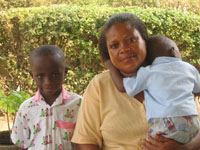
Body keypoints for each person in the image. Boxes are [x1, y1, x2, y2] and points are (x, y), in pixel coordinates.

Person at [71, 13, 200, 150]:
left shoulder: (174, 78)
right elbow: (85, 142)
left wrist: (186, 147)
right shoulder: (100, 86)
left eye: (131, 40)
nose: (124, 49)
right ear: (108, 54)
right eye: (114, 46)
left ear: (145, 41)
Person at [105, 35, 200, 144]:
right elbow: (197, 91)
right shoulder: (188, 68)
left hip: (167, 123)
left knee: (150, 144)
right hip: (192, 120)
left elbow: (122, 86)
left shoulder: (147, 72)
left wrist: (111, 67)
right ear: (173, 51)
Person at [11, 45, 82, 150]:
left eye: (54, 75)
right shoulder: (26, 108)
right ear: (32, 75)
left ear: (65, 72)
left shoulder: (79, 104)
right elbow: (21, 144)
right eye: (40, 76)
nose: (48, 82)